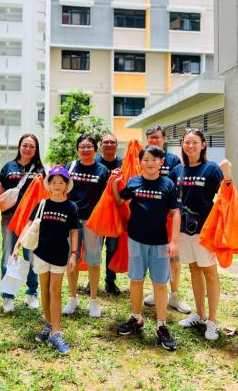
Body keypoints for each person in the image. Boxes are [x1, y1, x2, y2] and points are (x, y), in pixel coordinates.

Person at [112, 145, 181, 351]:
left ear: (161, 162)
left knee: (160, 284)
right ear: (140, 162)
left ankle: (161, 325)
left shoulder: (168, 185)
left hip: (160, 242)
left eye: (155, 159)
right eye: (146, 159)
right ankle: (136, 317)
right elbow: (120, 200)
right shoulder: (134, 182)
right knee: (136, 280)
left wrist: (174, 241)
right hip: (136, 240)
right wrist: (116, 184)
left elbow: (175, 213)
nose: (150, 163)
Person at [169, 128, 232, 341]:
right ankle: (200, 314)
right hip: (183, 230)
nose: (191, 146)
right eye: (187, 142)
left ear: (203, 145)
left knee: (210, 273)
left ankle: (212, 321)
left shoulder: (211, 169)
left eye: (195, 142)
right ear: (182, 145)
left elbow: (226, 195)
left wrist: (229, 176)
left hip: (204, 231)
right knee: (194, 269)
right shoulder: (177, 170)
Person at [13, 166, 79, 354]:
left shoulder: (71, 207)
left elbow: (74, 232)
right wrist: (17, 245)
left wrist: (74, 254)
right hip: (40, 253)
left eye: (61, 182)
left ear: (67, 185)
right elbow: (28, 225)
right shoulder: (42, 204)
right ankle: (49, 325)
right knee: (44, 290)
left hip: (59, 255)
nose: (57, 185)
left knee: (55, 290)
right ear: (48, 184)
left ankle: (56, 333)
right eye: (54, 182)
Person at [0, 133, 45, 313]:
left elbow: (44, 194)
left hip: (30, 221)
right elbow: (3, 192)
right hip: (9, 218)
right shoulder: (9, 167)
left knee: (30, 257)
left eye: (32, 146)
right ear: (19, 146)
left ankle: (32, 293)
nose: (28, 149)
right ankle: (8, 297)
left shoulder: (39, 169)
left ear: (36, 149)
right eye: (25, 145)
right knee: (8, 255)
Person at [143, 125, 191, 314]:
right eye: (150, 138)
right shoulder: (143, 158)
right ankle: (156, 291)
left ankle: (175, 296)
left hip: (170, 217)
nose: (153, 141)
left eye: (157, 137)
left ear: (164, 139)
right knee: (153, 257)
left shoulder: (173, 161)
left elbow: (177, 188)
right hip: (150, 218)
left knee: (173, 257)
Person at [62, 134, 109, 317]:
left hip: (93, 221)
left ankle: (93, 300)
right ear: (77, 149)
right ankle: (72, 298)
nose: (86, 149)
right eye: (82, 146)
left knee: (93, 259)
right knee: (71, 258)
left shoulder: (102, 170)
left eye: (89, 146)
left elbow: (107, 197)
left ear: (95, 149)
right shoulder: (71, 167)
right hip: (71, 220)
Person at [94, 133, 123, 295]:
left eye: (112, 142)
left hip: (115, 213)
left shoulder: (123, 163)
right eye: (106, 142)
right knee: (94, 248)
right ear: (101, 145)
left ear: (116, 145)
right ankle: (93, 281)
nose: (109, 144)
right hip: (97, 212)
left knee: (112, 248)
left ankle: (110, 281)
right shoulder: (95, 162)